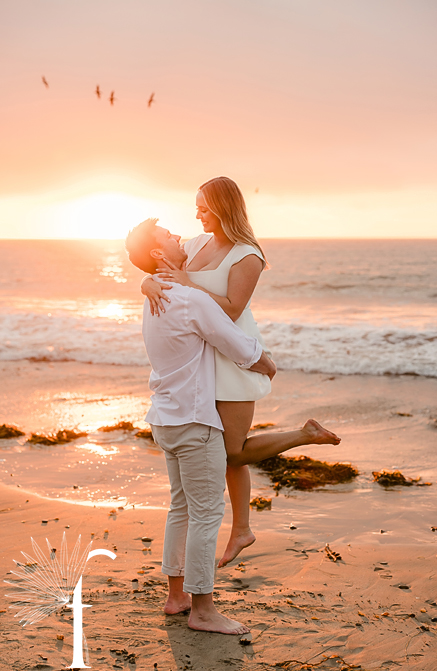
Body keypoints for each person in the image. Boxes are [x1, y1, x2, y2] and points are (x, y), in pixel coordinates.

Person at [142, 176, 339, 568]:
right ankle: (242, 529)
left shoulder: (248, 255)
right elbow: (159, 264)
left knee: (232, 451)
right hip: (202, 360)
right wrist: (147, 282)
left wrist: (186, 285)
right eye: (195, 206)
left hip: (234, 356)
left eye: (203, 207)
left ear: (223, 207)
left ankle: (304, 434)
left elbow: (230, 309)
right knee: (224, 453)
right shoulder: (196, 244)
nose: (197, 214)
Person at [125, 217, 277, 634]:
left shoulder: (153, 296)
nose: (179, 236)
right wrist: (266, 363)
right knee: (207, 515)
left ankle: (177, 597)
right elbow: (233, 341)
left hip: (165, 419)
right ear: (159, 254)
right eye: (169, 237)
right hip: (195, 423)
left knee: (182, 509)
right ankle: (203, 610)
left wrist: (147, 281)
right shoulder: (189, 299)